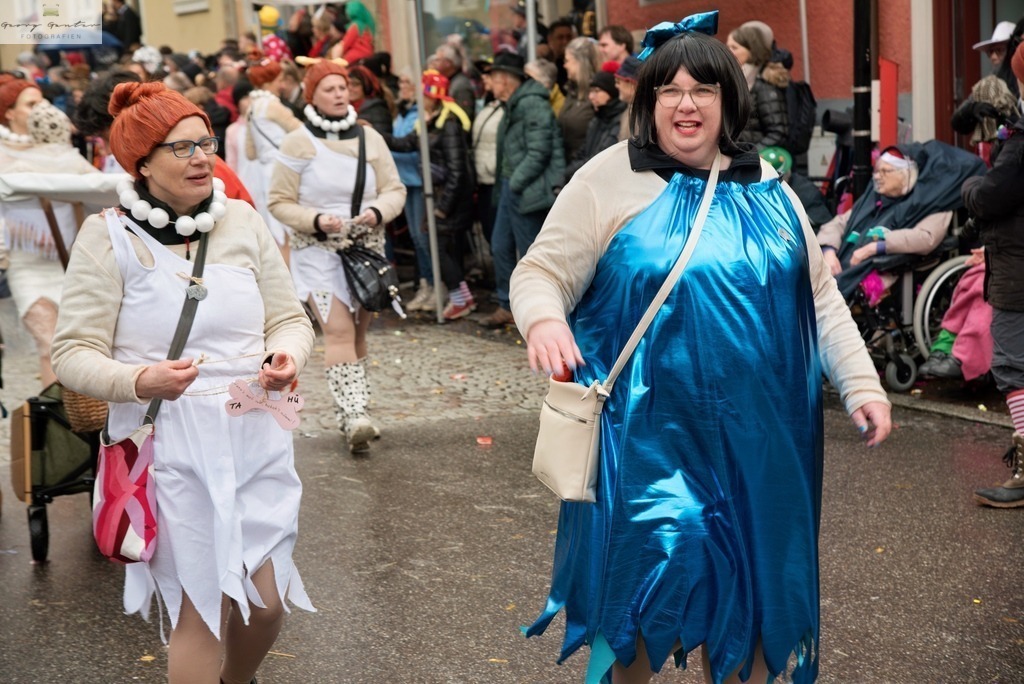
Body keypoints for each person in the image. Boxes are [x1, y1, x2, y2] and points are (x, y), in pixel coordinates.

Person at [512, 12, 892, 682]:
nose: (686, 105)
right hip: (647, 445)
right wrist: (544, 321)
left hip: (761, 447)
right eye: (670, 91)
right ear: (649, 101)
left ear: (728, 101)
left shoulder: (771, 191)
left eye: (703, 90)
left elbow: (821, 300)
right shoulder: (609, 178)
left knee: (749, 603)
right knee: (637, 604)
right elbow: (540, 272)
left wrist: (861, 384)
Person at [50, 80, 315, 684]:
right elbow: (73, 352)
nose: (202, 157)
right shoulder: (108, 236)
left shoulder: (242, 220)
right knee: (203, 607)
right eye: (182, 148)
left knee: (267, 604)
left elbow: (289, 318)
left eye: (206, 143)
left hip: (254, 429)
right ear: (142, 163)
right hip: (170, 445)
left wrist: (286, 355)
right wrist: (140, 378)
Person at [268, 60, 406, 453]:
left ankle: (352, 412)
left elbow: (394, 189)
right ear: (312, 95)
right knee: (339, 332)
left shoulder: (369, 138)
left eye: (343, 87)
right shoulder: (297, 142)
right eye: (329, 88)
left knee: (359, 334)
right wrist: (315, 219)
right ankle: (355, 412)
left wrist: (377, 212)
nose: (339, 94)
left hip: (365, 252)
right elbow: (278, 201)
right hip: (317, 253)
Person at [0, 76, 98, 388]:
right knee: (50, 346)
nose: (39, 110)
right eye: (30, 104)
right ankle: (60, 425)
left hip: (72, 263)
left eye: (42, 102)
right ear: (9, 113)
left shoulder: (62, 150)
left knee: (77, 347)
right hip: (28, 266)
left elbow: (98, 190)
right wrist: (17, 233)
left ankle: (81, 422)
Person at [962, 40, 1024, 508]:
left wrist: (970, 188)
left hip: (1017, 268)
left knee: (1013, 364)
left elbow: (990, 197)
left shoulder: (1020, 142)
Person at [817, 143, 986, 301]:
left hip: (882, 270)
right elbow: (837, 224)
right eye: (876, 171)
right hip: (841, 266)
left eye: (886, 172)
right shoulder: (872, 201)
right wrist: (829, 252)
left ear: (906, 174)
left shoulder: (932, 203)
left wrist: (874, 248)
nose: (878, 177)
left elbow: (926, 238)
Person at [479, 52, 564, 329]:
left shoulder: (531, 104)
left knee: (530, 252)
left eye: (493, 77)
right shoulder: (515, 103)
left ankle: (540, 312)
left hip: (525, 189)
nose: (489, 81)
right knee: (500, 245)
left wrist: (514, 183)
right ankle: (508, 305)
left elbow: (539, 151)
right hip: (512, 186)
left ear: (506, 79)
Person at [386, 71, 476, 320]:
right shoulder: (429, 122)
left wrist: (443, 207)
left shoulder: (448, 124)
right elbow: (406, 144)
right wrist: (377, 135)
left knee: (438, 246)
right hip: (439, 196)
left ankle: (460, 298)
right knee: (438, 245)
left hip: (449, 199)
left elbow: (457, 170)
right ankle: (463, 296)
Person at [244, 55, 304, 252]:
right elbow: (301, 133)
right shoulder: (274, 106)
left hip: (264, 175)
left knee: (275, 231)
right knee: (289, 231)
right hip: (284, 170)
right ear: (268, 82)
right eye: (279, 81)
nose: (283, 86)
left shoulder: (251, 110)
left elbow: (250, 152)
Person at [390, 69, 433, 312]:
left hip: (419, 180)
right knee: (417, 239)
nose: (402, 86)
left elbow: (406, 143)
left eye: (408, 82)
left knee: (422, 236)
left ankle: (433, 285)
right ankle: (424, 284)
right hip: (404, 180)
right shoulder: (402, 111)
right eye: (401, 82)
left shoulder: (420, 115)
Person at [726, 20, 788, 150]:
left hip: (757, 163)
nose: (729, 52)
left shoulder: (764, 84)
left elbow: (778, 132)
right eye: (728, 47)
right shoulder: (733, 81)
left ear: (751, 51)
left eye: (734, 47)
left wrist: (751, 155)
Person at [563, 60, 626, 182]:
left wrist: (567, 174)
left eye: (597, 91)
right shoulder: (597, 119)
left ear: (611, 92)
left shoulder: (618, 120)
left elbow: (598, 158)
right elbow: (583, 152)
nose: (591, 96)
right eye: (591, 91)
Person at [472, 60, 506, 247]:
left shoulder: (505, 107)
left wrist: (493, 166)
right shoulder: (488, 104)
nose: (485, 79)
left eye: (489, 76)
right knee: (488, 229)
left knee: (497, 235)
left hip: (495, 178)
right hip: (483, 179)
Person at [559, 36, 600, 163]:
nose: (564, 65)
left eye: (567, 60)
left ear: (580, 62)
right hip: (571, 165)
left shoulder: (598, 94)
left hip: (587, 165)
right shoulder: (572, 91)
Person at [433, 42, 476, 122]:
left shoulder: (461, 86)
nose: (435, 63)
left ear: (448, 63)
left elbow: (462, 120)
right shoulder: (449, 82)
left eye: (438, 60)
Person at [347, 64, 395, 135]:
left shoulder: (378, 109)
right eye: (347, 84)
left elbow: (384, 139)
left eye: (355, 84)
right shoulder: (346, 108)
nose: (350, 88)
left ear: (366, 86)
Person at [330, 0, 375, 65]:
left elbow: (346, 43)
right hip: (367, 54)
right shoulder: (366, 25)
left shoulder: (355, 26)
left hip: (356, 57)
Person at [614, 55, 641, 141]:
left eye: (618, 81)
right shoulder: (630, 108)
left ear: (632, 83)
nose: (616, 86)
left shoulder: (641, 116)